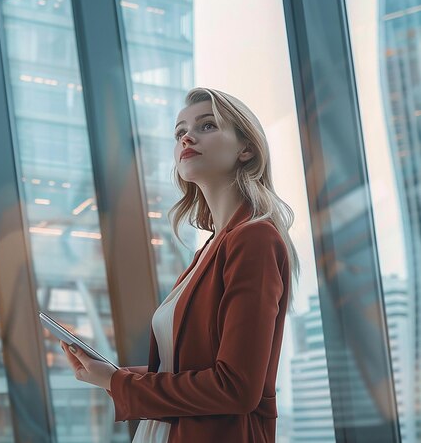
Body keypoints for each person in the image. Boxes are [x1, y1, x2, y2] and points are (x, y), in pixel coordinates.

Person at [60, 87, 300, 442]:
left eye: (207, 126)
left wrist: (117, 381)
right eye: (179, 132)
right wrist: (112, 374)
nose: (187, 136)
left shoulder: (254, 239)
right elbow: (186, 370)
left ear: (246, 150)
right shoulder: (209, 250)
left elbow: (236, 387)